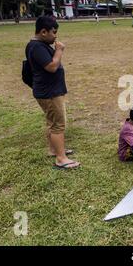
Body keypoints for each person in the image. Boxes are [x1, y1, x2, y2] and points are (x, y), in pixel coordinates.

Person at [25, 16, 79, 169]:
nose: (55, 36)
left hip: (48, 90)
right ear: (43, 32)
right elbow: (52, 66)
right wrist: (59, 50)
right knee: (58, 124)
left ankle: (54, 150)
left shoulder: (38, 45)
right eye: (53, 32)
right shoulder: (37, 47)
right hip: (49, 92)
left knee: (52, 121)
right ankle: (61, 158)